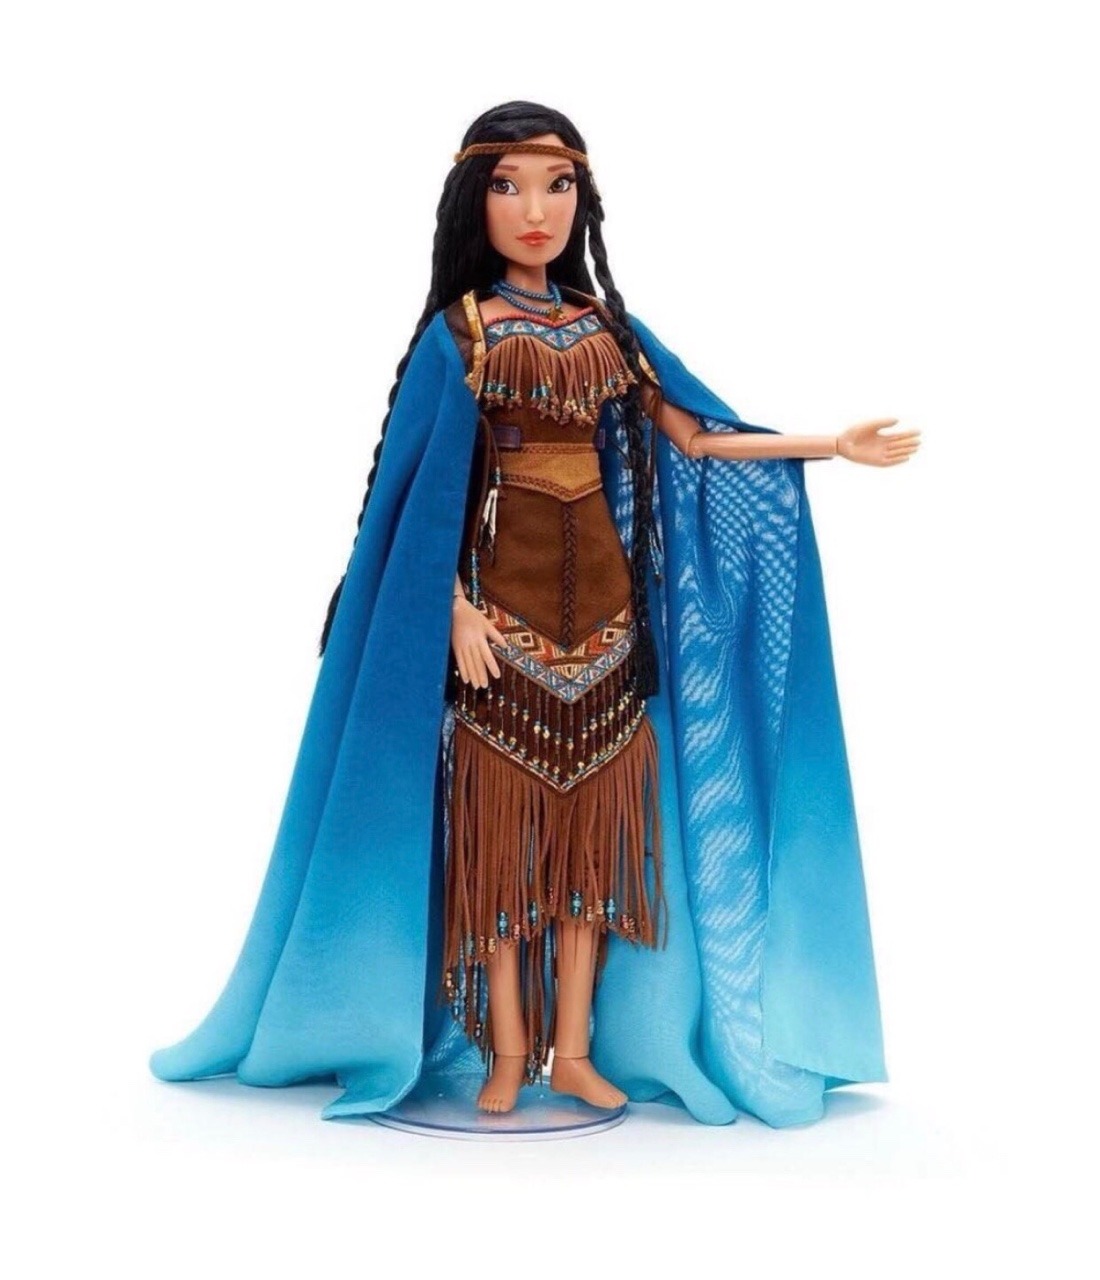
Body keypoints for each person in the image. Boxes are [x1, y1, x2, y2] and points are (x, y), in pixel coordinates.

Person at [150, 102, 919, 1129]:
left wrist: (825, 444)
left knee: (595, 858)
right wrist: (451, 608)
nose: (535, 210)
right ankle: (507, 1052)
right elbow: (417, 499)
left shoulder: (605, 331)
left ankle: (576, 1051)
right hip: (499, 634)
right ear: (477, 200)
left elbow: (693, 437)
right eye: (510, 186)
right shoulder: (461, 333)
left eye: (558, 186)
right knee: (500, 858)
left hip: (608, 630)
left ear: (582, 202)